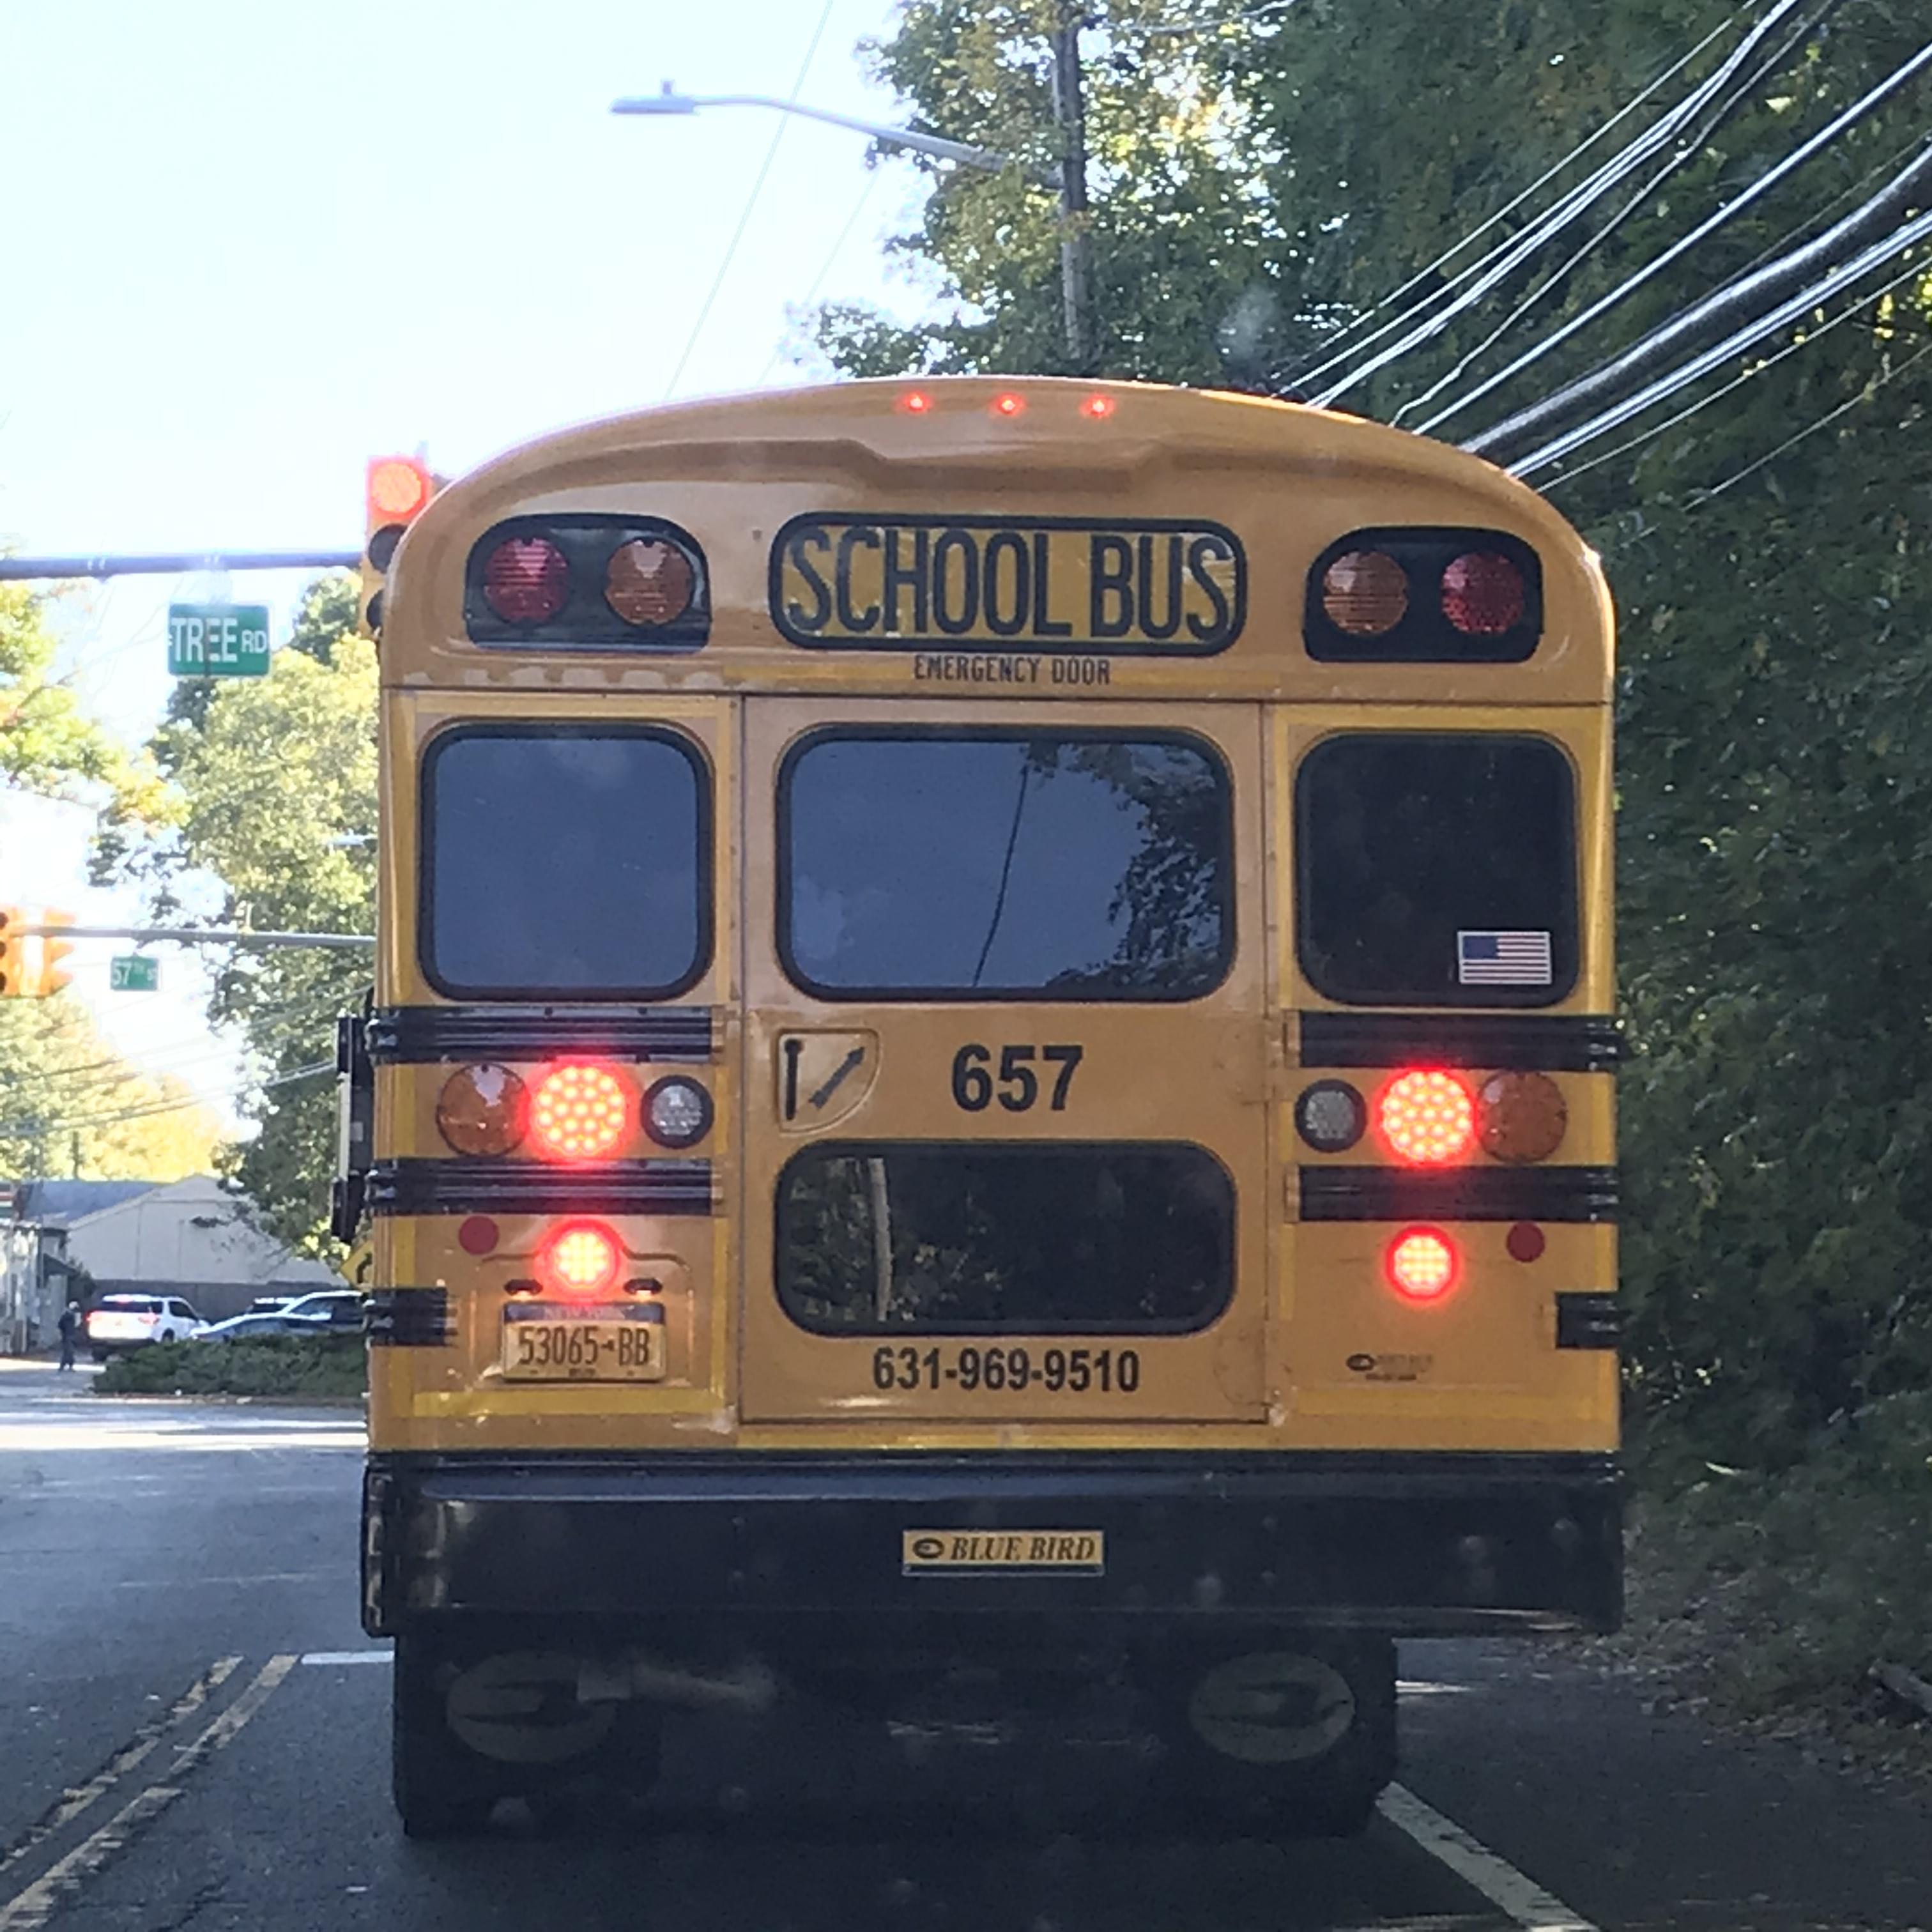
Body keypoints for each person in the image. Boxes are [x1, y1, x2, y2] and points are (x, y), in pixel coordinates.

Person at [56, 1300, 80, 1372]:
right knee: (69, 1351)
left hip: (69, 1335)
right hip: (68, 1335)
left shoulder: (69, 1316)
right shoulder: (68, 1316)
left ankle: (66, 1366)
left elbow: (60, 1325)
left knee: (69, 1351)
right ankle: (65, 1365)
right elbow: (61, 1325)